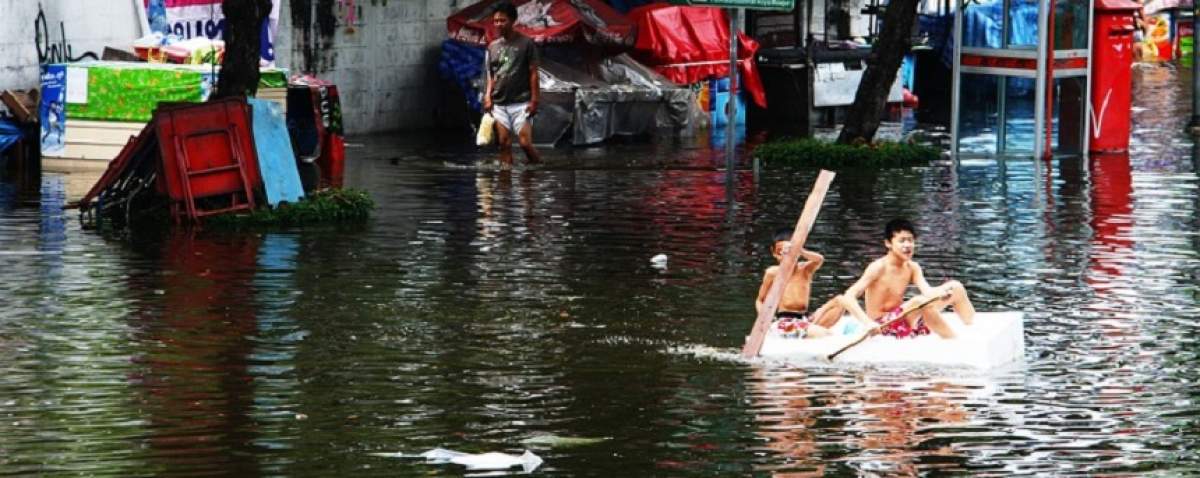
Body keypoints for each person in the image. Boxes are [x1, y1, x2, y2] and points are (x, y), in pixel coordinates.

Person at [837, 218, 976, 339]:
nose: (907, 245)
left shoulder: (912, 267)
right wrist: (868, 323)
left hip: (905, 319)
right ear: (888, 243)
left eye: (910, 240)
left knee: (955, 287)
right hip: (883, 326)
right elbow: (848, 296)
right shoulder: (878, 267)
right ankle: (952, 340)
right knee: (918, 301)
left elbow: (927, 292)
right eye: (902, 241)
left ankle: (973, 328)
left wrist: (942, 295)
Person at [756, 229, 873, 339]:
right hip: (786, 321)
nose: (785, 256)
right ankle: (815, 334)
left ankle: (869, 326)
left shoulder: (805, 269)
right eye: (780, 252)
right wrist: (765, 320)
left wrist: (799, 250)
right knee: (825, 334)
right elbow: (760, 300)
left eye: (789, 252)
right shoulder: (772, 272)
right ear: (774, 253)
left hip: (806, 318)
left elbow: (819, 259)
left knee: (840, 300)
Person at [483, 1, 542, 166]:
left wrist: (535, 100)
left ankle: (538, 170)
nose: (498, 24)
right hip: (499, 103)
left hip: (521, 102)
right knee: (504, 144)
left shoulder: (526, 44)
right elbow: (491, 75)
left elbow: (533, 73)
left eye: (503, 20)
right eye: (495, 21)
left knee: (525, 144)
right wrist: (488, 96)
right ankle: (504, 185)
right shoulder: (492, 47)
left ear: (513, 20)